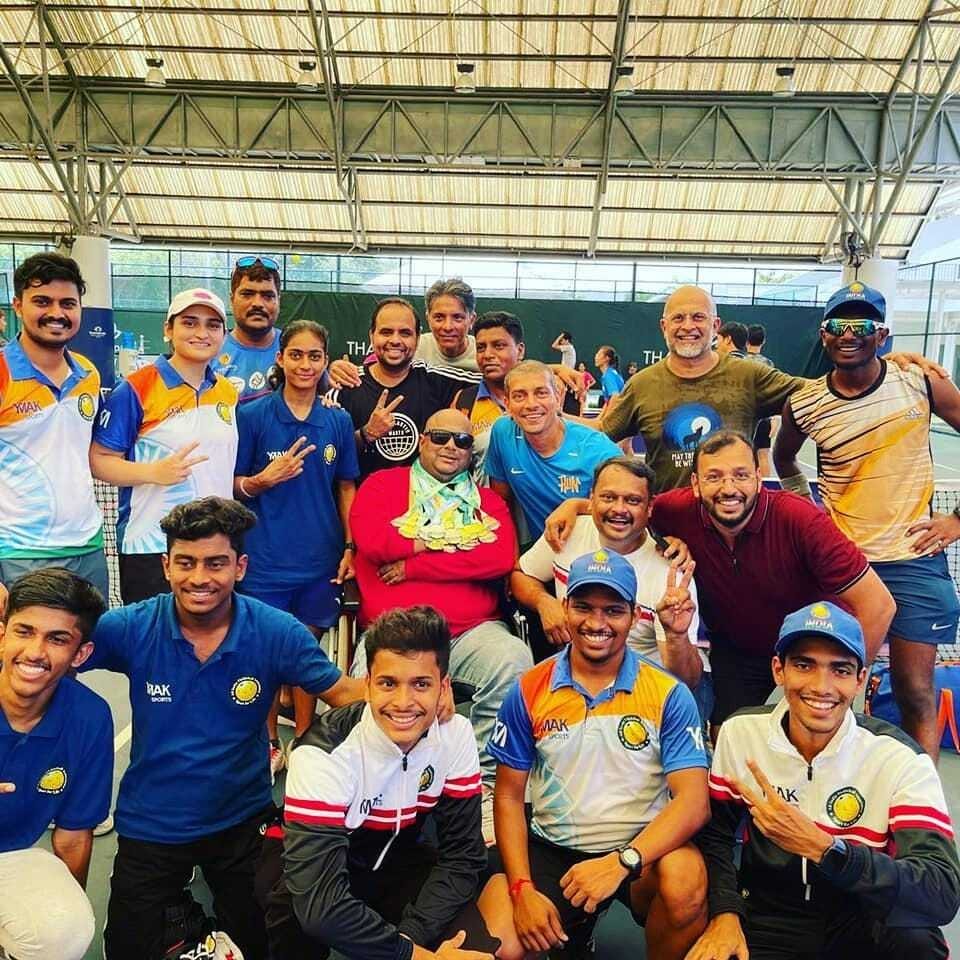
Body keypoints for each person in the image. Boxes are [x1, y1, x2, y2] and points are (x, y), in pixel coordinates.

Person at [80, 497, 366, 959]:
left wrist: (419, 694)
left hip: (242, 819)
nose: (199, 578)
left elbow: (344, 693)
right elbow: (50, 657)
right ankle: (181, 917)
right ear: (166, 566)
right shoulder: (130, 627)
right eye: (186, 562)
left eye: (216, 563)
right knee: (129, 951)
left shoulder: (275, 631)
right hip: (153, 823)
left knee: (285, 941)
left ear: (240, 567)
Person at [545, 431, 896, 728]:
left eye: (740, 475)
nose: (729, 488)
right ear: (696, 484)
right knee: (729, 742)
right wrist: (575, 505)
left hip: (808, 649)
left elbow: (879, 606)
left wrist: (839, 674)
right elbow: (627, 507)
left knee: (810, 741)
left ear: (758, 476)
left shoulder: (800, 520)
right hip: (736, 653)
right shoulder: (675, 510)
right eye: (714, 477)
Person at [689, 601, 960, 960]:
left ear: (860, 679)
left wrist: (825, 849)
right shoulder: (741, 733)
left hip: (861, 916)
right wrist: (725, 911)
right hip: (770, 916)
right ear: (779, 670)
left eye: (840, 669)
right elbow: (716, 835)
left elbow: (941, 890)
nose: (821, 686)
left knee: (916, 941)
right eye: (804, 665)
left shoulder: (899, 758)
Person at [477, 550, 710, 960]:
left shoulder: (668, 693)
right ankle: (577, 928)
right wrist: (522, 889)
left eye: (613, 610)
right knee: (502, 949)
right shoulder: (528, 688)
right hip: (554, 845)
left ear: (634, 616)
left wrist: (621, 861)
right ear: (565, 607)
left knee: (686, 882)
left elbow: (694, 802)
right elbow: (509, 796)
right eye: (583, 607)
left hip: (641, 850)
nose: (596, 623)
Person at [774, 280, 960, 760]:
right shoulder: (805, 403)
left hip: (914, 561)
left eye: (861, 325)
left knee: (914, 691)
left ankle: (920, 797)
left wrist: (957, 521)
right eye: (838, 325)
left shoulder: (921, 382)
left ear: (882, 335)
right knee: (831, 690)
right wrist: (810, 513)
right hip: (843, 567)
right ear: (824, 335)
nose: (848, 334)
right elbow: (784, 459)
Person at [263, 606, 497, 960]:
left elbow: (463, 857)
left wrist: (410, 938)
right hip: (320, 867)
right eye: (388, 683)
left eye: (421, 684)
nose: (403, 703)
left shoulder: (456, 734)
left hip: (401, 860)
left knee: (479, 951)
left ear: (444, 686)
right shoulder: (321, 753)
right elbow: (321, 908)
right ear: (368, 684)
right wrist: (415, 956)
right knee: (295, 919)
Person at [348, 409, 532, 823]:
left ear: (470, 453)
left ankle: (483, 785)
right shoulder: (383, 485)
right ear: (422, 440)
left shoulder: (487, 501)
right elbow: (374, 541)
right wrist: (454, 540)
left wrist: (414, 564)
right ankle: (379, 787)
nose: (451, 447)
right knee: (366, 692)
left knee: (513, 659)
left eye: (462, 441)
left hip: (472, 632)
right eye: (440, 437)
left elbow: (497, 557)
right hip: (396, 634)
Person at [234, 319, 359, 780]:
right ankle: (269, 743)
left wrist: (351, 545)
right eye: (297, 355)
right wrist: (261, 481)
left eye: (315, 356)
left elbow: (346, 487)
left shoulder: (337, 420)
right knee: (267, 650)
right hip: (264, 559)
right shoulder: (252, 416)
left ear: (325, 362)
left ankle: (306, 738)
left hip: (320, 559)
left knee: (305, 649)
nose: (305, 364)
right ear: (280, 359)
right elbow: (232, 484)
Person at [90, 288, 239, 603]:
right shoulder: (134, 389)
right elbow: (99, 460)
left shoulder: (227, 392)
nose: (202, 333)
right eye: (189, 322)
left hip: (215, 546)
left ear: (224, 335)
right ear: (168, 330)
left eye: (213, 325)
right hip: (150, 545)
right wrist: (154, 472)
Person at [512, 457, 703, 689]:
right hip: (571, 678)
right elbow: (520, 575)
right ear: (591, 498)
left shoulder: (670, 574)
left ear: (650, 507)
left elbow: (687, 681)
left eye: (632, 500)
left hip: (642, 689)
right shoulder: (567, 532)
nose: (619, 509)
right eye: (608, 497)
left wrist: (675, 636)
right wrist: (543, 602)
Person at [0, 568, 110, 960]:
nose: (34, 652)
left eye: (57, 639)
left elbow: (73, 835)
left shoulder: (89, 718)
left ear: (80, 654)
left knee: (65, 929)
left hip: (11, 854)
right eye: (24, 631)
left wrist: (66, 899)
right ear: (3, 634)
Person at [598, 286, 807, 492]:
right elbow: (600, 433)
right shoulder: (641, 385)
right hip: (666, 513)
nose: (688, 326)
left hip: (734, 513)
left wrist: (786, 460)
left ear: (715, 326)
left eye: (698, 317)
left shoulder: (749, 376)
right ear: (664, 326)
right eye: (678, 318)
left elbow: (816, 396)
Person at [0, 252, 109, 601]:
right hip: (20, 555)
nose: (57, 313)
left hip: (88, 548)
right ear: (18, 305)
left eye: (68, 303)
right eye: (42, 301)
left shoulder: (88, 374)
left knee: (95, 637)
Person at [328, 297, 480, 479]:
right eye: (386, 332)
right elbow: (328, 454)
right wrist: (365, 434)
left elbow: (496, 380)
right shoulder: (346, 385)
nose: (395, 340)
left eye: (405, 333)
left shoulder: (438, 381)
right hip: (364, 495)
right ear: (371, 336)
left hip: (425, 496)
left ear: (418, 338)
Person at [485, 360, 621, 541]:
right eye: (519, 396)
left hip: (598, 550)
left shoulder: (599, 450)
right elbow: (500, 505)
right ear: (507, 404)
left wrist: (577, 506)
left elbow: (626, 511)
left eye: (541, 393)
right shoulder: (503, 433)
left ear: (558, 398)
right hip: (542, 549)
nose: (531, 404)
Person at [455, 311, 525, 476]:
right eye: (481, 348)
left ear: (520, 350)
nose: (487, 355)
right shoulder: (465, 400)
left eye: (498, 346)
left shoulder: (548, 396)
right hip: (484, 492)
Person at [213, 255, 282, 403]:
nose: (257, 303)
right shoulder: (209, 352)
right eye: (247, 294)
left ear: (278, 300)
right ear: (232, 299)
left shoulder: (298, 350)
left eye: (267, 296)